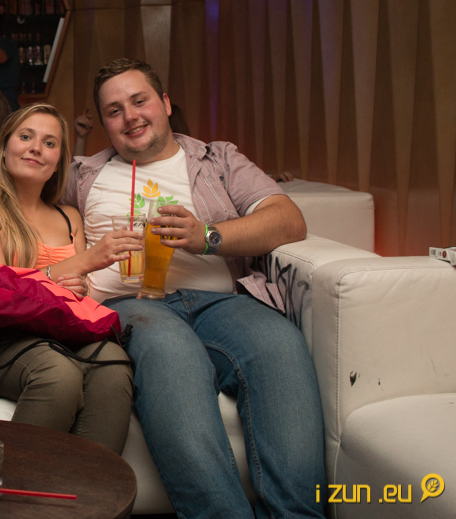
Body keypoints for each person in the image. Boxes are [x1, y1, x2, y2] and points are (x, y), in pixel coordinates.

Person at [63, 58, 324, 518]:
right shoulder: (81, 173)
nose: (130, 117)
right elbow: (15, 206)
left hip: (222, 303)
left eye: (140, 101)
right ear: (104, 123)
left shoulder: (217, 159)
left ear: (165, 103)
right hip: (130, 304)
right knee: (169, 349)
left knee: (280, 344)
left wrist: (208, 236)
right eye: (114, 111)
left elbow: (288, 220)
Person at [0, 103, 134, 452]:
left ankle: (94, 486)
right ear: (4, 149)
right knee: (59, 375)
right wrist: (78, 265)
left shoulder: (70, 217)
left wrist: (78, 284)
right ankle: (17, 485)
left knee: (114, 363)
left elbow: (78, 295)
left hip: (62, 332)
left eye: (49, 143)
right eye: (25, 137)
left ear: (59, 161)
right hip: (3, 340)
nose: (35, 148)